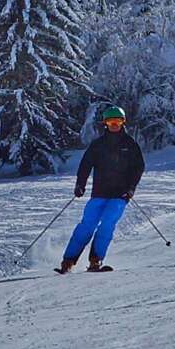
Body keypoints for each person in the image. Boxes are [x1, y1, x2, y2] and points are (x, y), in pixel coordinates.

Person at [59, 105, 145, 274]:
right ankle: (68, 261)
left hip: (120, 195)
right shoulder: (98, 145)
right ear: (105, 123)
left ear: (123, 122)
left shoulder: (130, 144)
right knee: (87, 225)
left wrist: (131, 189)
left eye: (118, 121)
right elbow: (85, 165)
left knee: (107, 224)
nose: (114, 124)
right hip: (99, 192)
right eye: (111, 121)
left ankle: (95, 260)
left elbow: (138, 168)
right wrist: (80, 185)